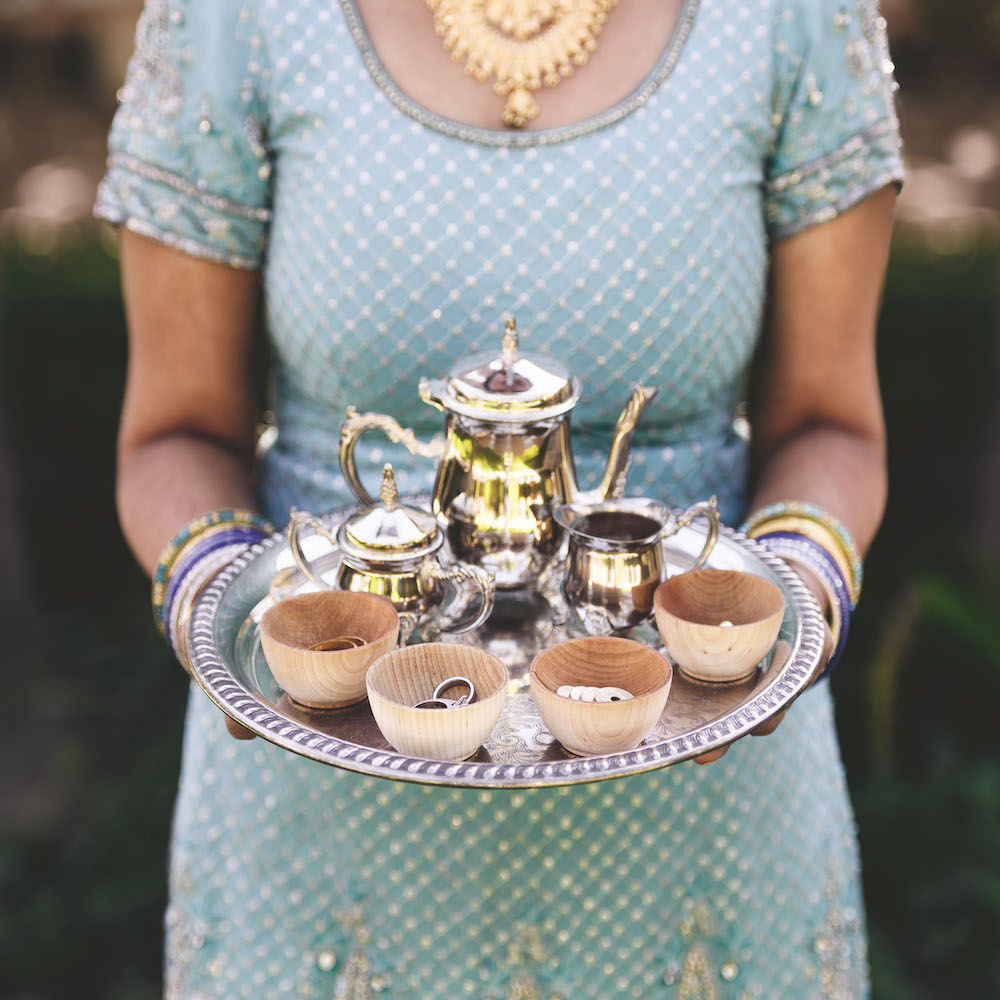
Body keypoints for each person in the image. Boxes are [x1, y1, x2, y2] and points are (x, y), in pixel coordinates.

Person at [96, 0, 903, 995]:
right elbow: (176, 435)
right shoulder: (232, 18)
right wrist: (234, 620)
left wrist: (783, 615)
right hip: (322, 833)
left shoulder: (795, 17)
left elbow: (831, 424)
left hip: (710, 830)